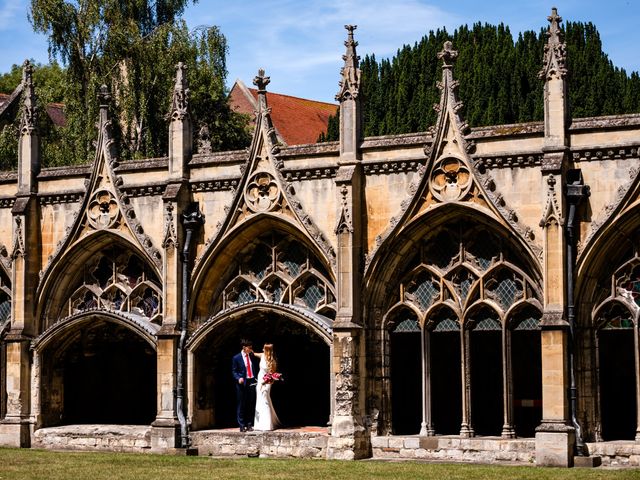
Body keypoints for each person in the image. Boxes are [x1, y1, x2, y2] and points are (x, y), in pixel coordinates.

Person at [232, 338, 260, 432]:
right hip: (242, 383)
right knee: (241, 404)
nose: (251, 349)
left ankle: (249, 424)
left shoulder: (251, 355)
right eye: (249, 348)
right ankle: (241, 425)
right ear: (244, 348)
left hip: (251, 381)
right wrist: (238, 378)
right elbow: (234, 371)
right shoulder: (236, 358)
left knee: (250, 403)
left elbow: (255, 366)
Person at [253, 343, 281, 431]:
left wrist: (265, 382)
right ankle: (259, 424)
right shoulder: (262, 356)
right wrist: (248, 349)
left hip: (267, 382)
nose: (262, 349)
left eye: (264, 348)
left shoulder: (272, 361)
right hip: (260, 380)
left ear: (267, 350)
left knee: (265, 400)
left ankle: (267, 425)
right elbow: (253, 353)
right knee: (259, 400)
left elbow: (272, 375)